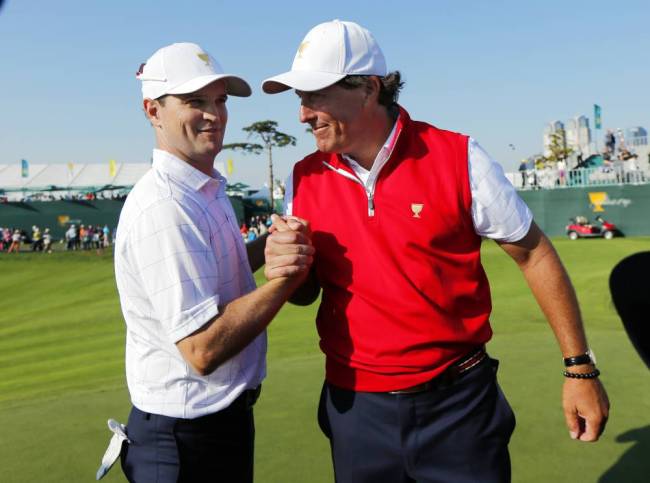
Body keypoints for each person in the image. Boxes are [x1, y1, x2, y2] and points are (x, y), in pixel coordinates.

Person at [263, 20, 609, 483]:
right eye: (299, 100)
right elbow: (307, 295)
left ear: (368, 88)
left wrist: (579, 368)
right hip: (354, 410)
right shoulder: (303, 177)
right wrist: (289, 269)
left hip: (458, 405)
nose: (303, 114)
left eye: (314, 96)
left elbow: (534, 254)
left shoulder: (458, 157)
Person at [113, 42, 313, 483]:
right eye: (194, 101)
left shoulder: (200, 186)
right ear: (153, 111)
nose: (214, 114)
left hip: (212, 424)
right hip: (185, 438)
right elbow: (202, 350)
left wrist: (270, 244)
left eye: (220, 100)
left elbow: (219, 270)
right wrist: (286, 277)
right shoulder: (164, 206)